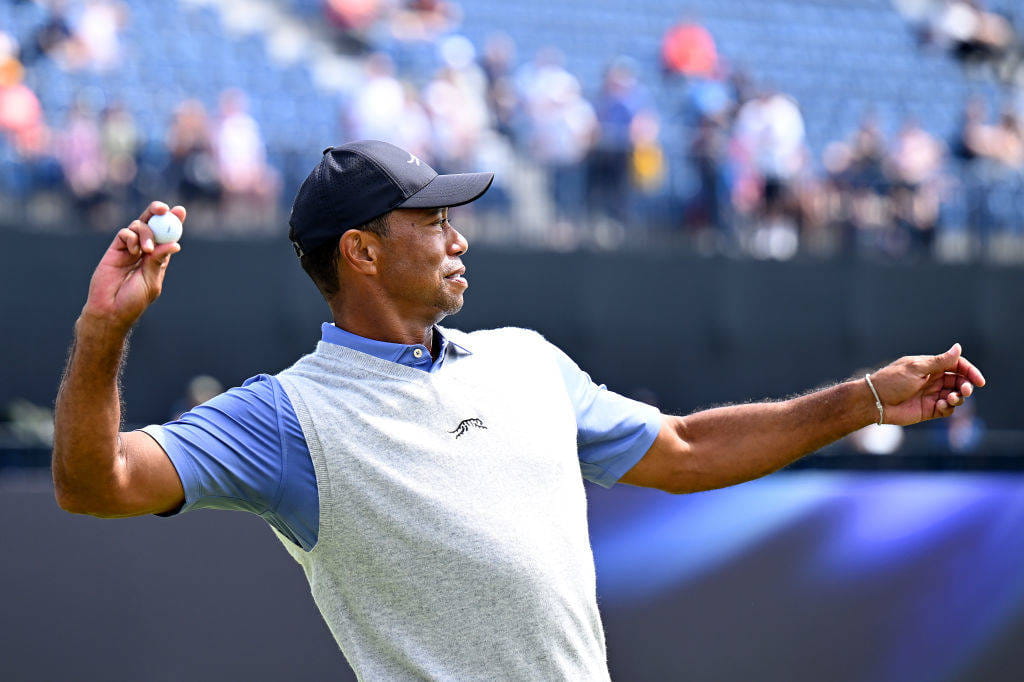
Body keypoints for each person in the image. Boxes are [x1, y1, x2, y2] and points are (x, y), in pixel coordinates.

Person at [52, 140, 986, 680]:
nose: (459, 240)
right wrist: (104, 332)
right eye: (432, 222)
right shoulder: (287, 417)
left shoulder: (525, 361)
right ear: (362, 254)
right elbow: (97, 486)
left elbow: (687, 448)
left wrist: (864, 397)